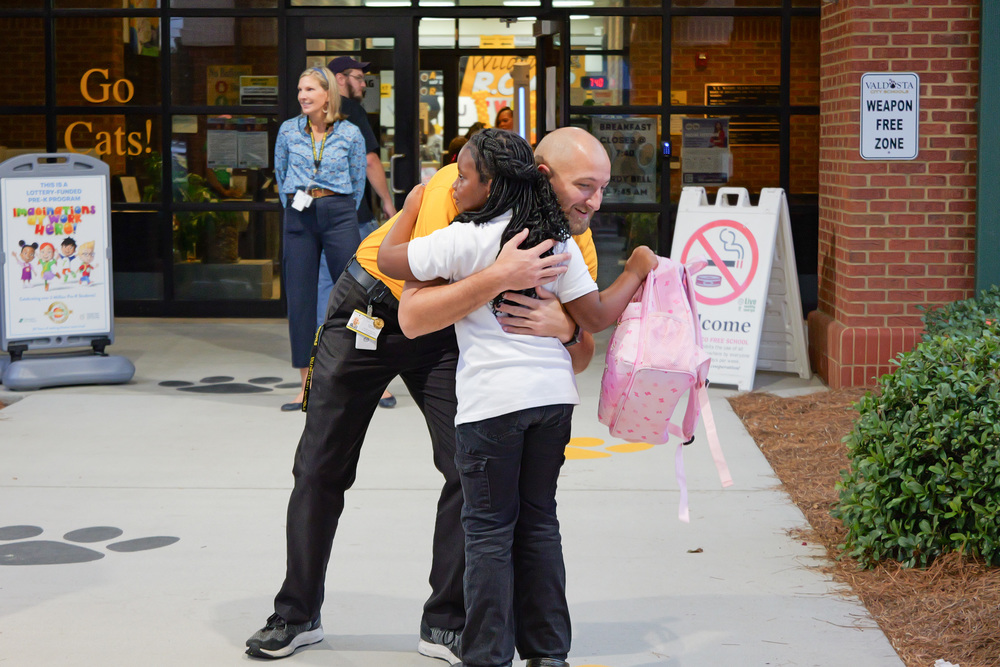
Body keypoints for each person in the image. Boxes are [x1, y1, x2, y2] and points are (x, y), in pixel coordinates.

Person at [244, 126, 609, 663]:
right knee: (320, 466)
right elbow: (416, 312)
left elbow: (581, 351)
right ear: (545, 176)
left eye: (603, 188)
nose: (595, 203)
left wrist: (563, 327)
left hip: (449, 331)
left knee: (471, 469)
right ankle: (297, 613)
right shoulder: (464, 190)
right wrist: (504, 274)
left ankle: (444, 622)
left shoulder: (573, 235)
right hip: (369, 309)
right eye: (586, 186)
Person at [378, 128, 657, 667]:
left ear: (491, 183)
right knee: (540, 525)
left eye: (463, 177)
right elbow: (597, 314)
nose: (455, 187)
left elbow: (391, 261)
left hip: (491, 406)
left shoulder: (464, 238)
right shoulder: (554, 235)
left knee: (487, 535)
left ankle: (487, 656)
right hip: (553, 403)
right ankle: (549, 654)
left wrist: (412, 208)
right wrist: (637, 269)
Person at [274, 65, 366, 412]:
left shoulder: (351, 133)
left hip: (339, 212)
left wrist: (336, 208)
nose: (303, 96)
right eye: (300, 90)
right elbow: (280, 172)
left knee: (353, 293)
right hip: (299, 213)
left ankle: (358, 378)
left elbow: (357, 183)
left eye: (310, 89)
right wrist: (297, 208)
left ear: (328, 93)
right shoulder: (287, 131)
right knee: (299, 299)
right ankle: (305, 386)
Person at [319, 55, 399, 408]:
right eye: (358, 76)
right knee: (366, 295)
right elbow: (369, 160)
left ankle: (324, 371)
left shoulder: (308, 116)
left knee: (324, 296)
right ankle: (371, 378)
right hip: (352, 217)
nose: (364, 83)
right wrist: (388, 201)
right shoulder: (350, 109)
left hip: (315, 220)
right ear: (340, 79)